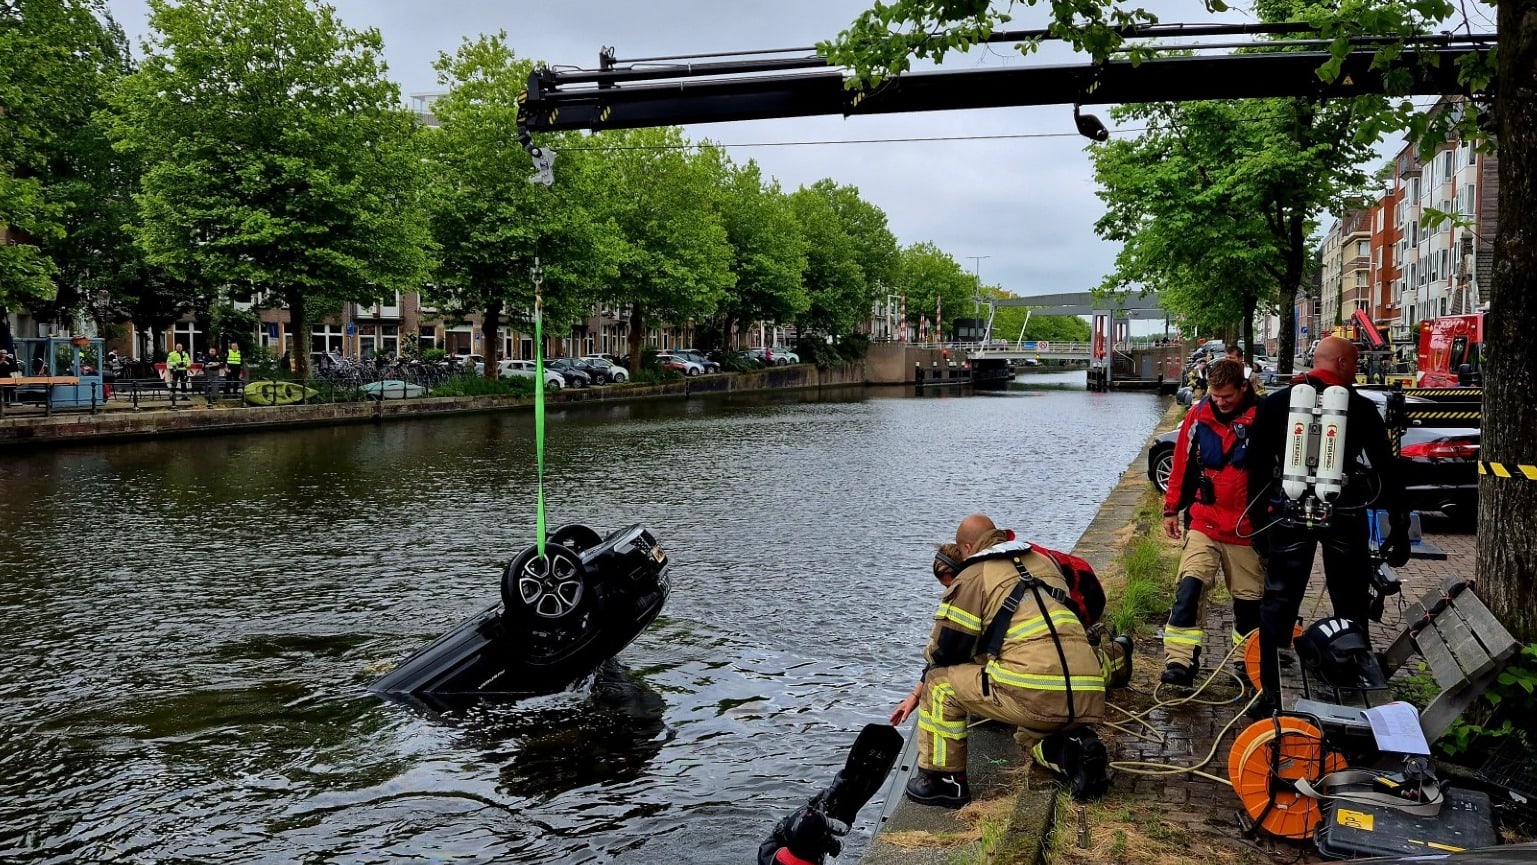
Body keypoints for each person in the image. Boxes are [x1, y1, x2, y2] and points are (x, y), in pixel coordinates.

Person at [1244, 336, 1411, 719]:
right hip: (1344, 511)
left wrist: (1260, 527)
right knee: (1350, 602)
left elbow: (1253, 468)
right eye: (1353, 364)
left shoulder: (1275, 404)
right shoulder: (1362, 409)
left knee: (1279, 605)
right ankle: (1352, 685)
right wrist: (1398, 526)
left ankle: (1271, 695)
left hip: (1288, 512)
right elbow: (1387, 473)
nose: (1356, 371)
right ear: (1340, 363)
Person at [900, 514, 1117, 808]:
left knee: (939, 685)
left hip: (1036, 692)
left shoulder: (974, 575)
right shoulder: (1043, 561)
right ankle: (1074, 755)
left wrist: (919, 687)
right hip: (1089, 690)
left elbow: (946, 652)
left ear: (966, 548)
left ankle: (943, 782)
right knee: (1030, 734)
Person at [1158, 358, 1265, 688]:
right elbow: (1181, 464)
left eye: (1227, 398)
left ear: (1243, 388)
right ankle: (1180, 661)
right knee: (1189, 588)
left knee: (1249, 600)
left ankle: (1246, 661)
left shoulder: (1263, 418)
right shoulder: (1198, 415)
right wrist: (1171, 509)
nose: (1220, 403)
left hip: (1246, 528)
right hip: (1205, 521)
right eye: (1216, 397)